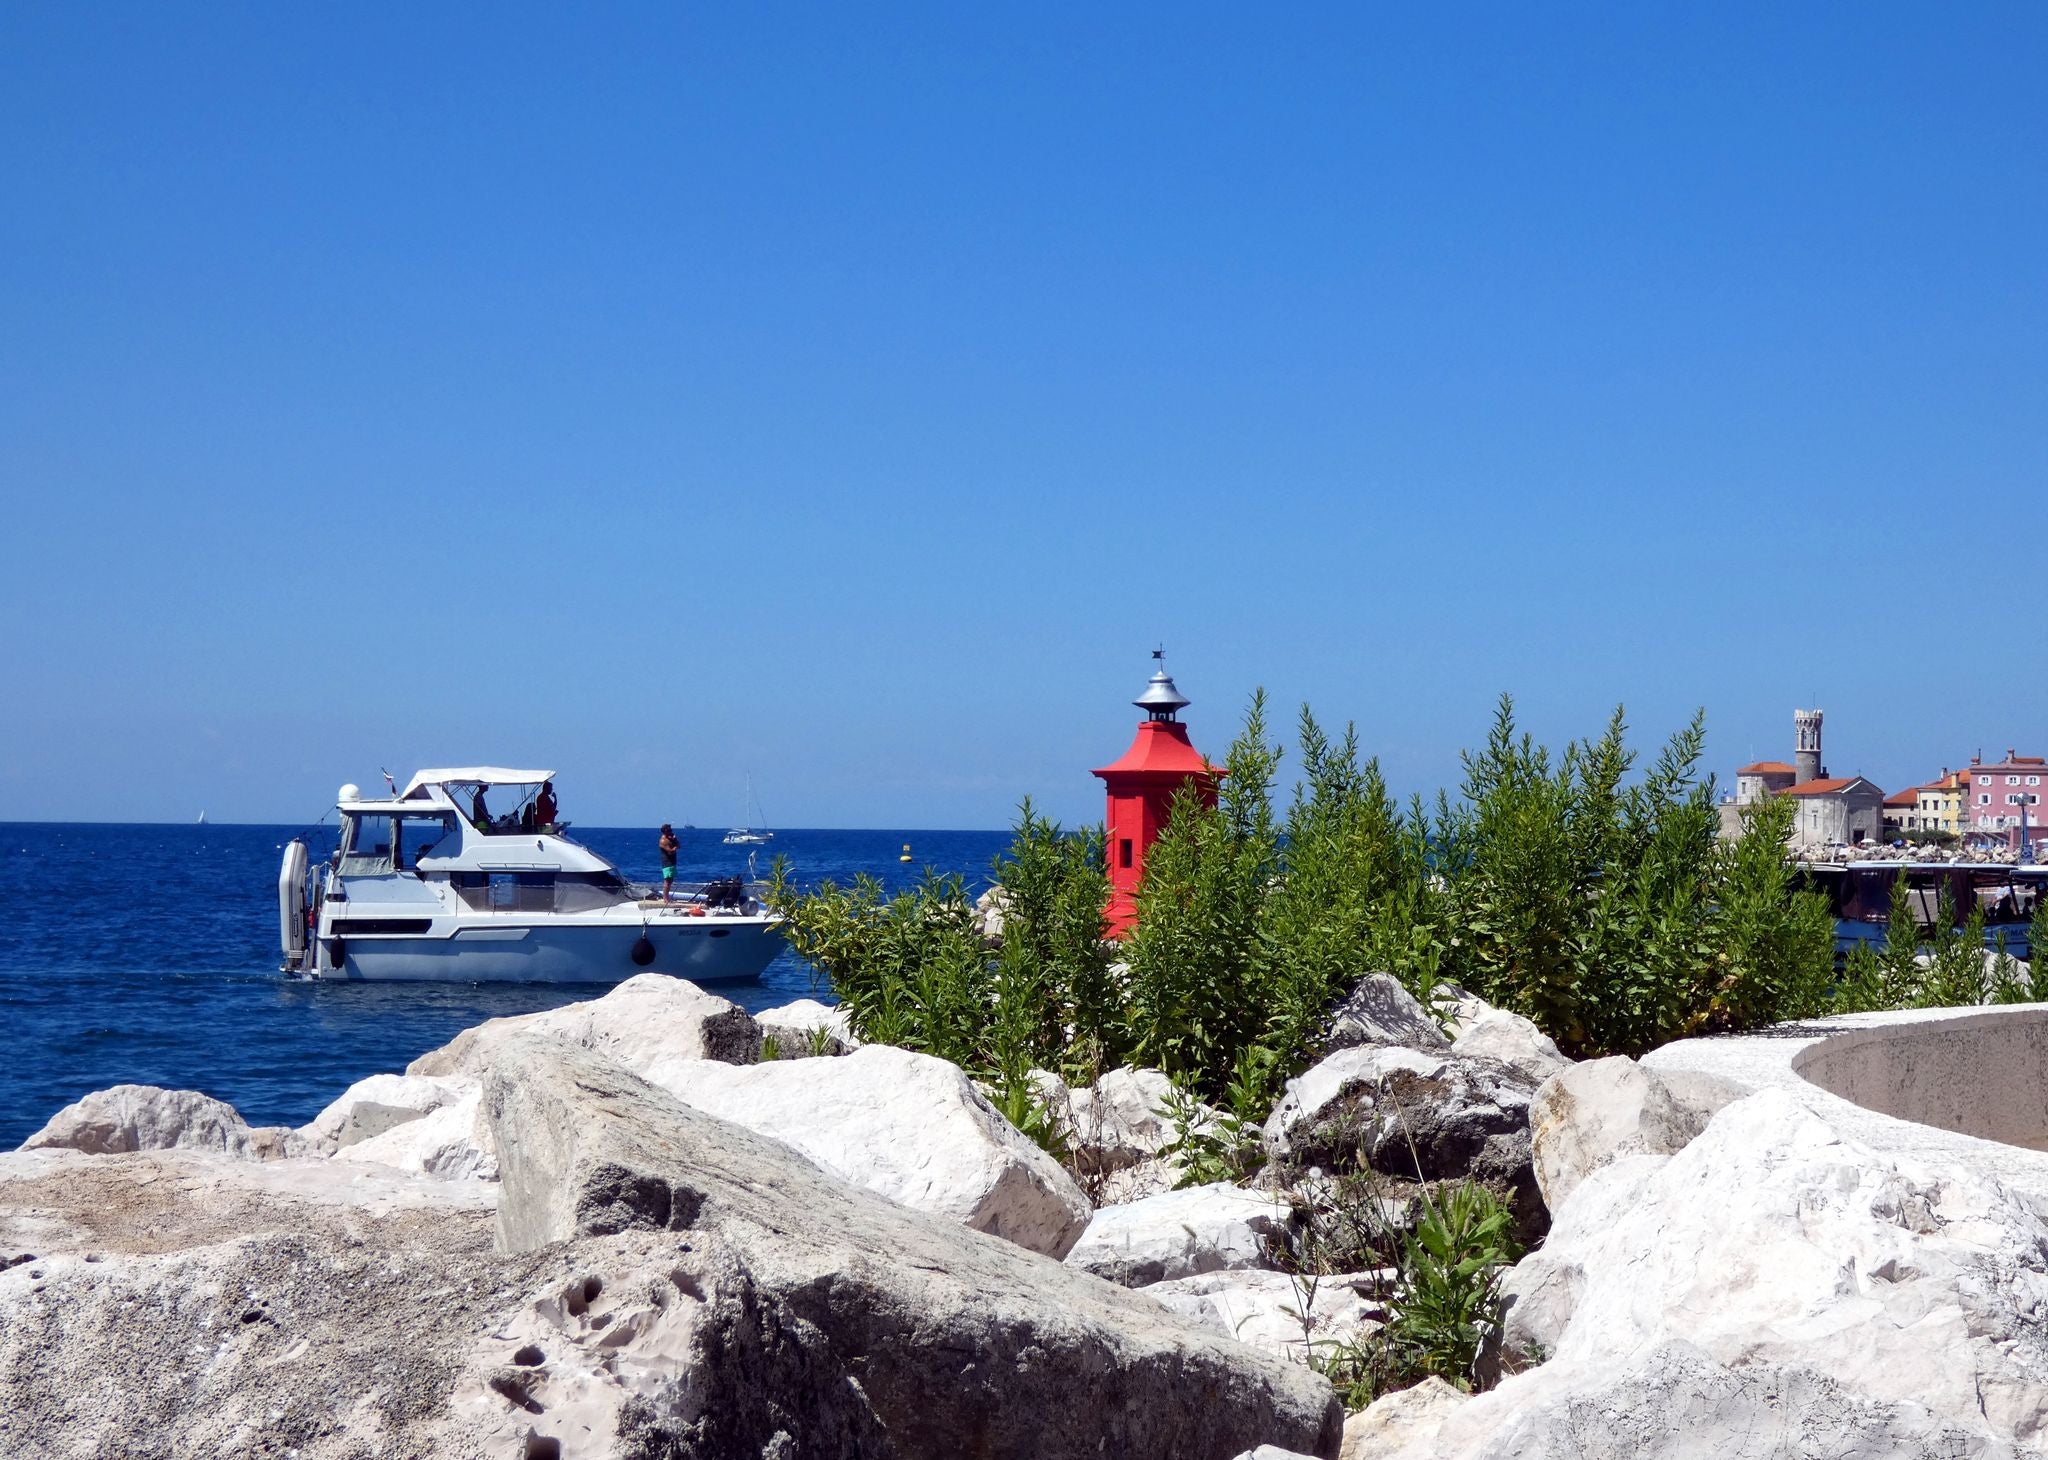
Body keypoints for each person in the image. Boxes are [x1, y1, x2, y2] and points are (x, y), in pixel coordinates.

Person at [658, 823, 680, 903]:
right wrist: (674, 848)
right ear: (665, 831)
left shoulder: (671, 839)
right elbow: (670, 851)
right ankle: (665, 899)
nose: (671, 831)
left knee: (670, 881)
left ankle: (667, 897)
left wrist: (675, 840)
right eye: (670, 830)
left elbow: (679, 846)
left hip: (672, 862)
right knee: (667, 881)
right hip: (667, 863)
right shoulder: (663, 840)